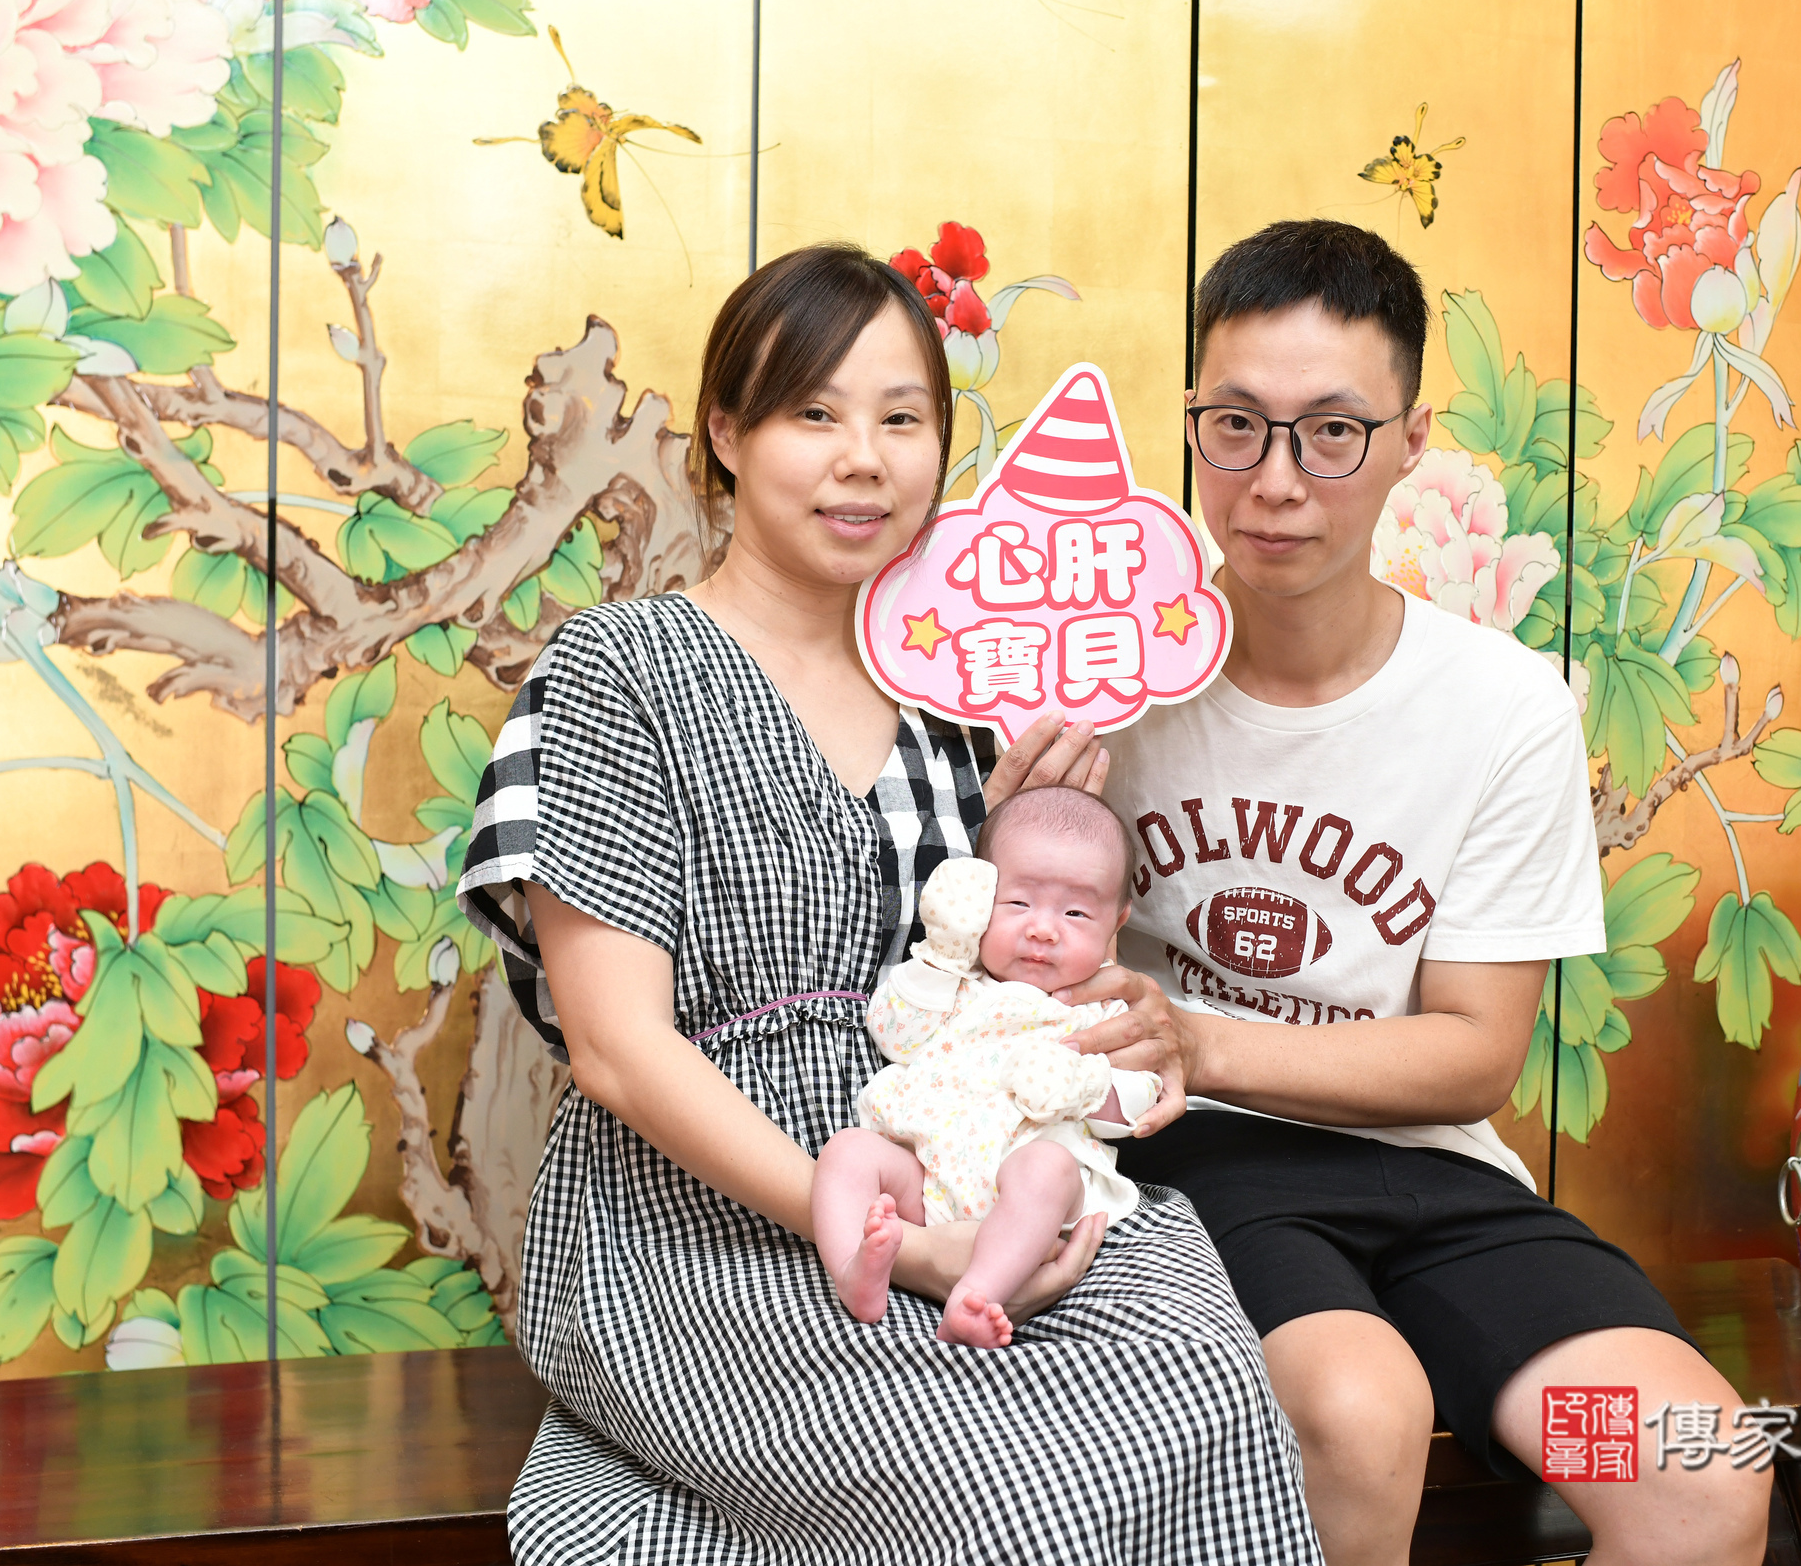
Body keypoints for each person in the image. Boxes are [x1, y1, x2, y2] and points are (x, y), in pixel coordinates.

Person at [455, 243, 1321, 1564]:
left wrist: (1033, 845)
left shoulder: (962, 700)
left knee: (1202, 1385)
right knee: (1005, 1491)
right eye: (815, 412)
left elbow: (1002, 984)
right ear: (728, 432)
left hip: (965, 1160)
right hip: (697, 1218)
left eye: (903, 419)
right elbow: (619, 1052)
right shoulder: (619, 669)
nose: (863, 460)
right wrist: (891, 1242)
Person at [1033, 221, 1773, 1566]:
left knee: (1693, 1471)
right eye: (1235, 427)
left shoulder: (1504, 707)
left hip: (1437, 1186)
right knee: (1359, 1414)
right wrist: (1010, 818)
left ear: (1410, 441)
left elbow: (1475, 1055)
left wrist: (1199, 1036)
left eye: (1332, 433)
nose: (1275, 482)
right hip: (1197, 1166)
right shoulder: (1101, 682)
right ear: (1191, 423)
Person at [815, 786, 1163, 1348]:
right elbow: (894, 1034)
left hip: (1027, 1192)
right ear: (983, 900)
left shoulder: (1104, 1010)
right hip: (926, 1174)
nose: (1043, 929)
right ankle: (853, 1270)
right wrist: (942, 954)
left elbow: (1141, 1101)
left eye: (1076, 913)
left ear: (1116, 922)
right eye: (1018, 903)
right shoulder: (956, 981)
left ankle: (976, 1295)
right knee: (846, 1152)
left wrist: (1082, 1086)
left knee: (1047, 1169)